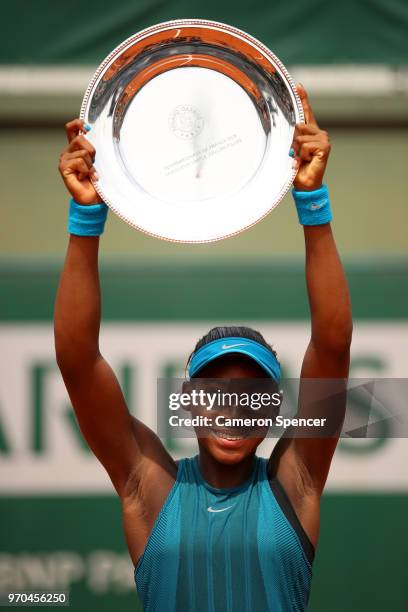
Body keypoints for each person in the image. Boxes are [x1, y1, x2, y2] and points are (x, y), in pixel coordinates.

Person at [55, 84, 352, 611]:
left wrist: (312, 199)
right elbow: (77, 361)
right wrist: (86, 217)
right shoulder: (147, 486)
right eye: (215, 391)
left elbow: (332, 341)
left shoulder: (296, 478)